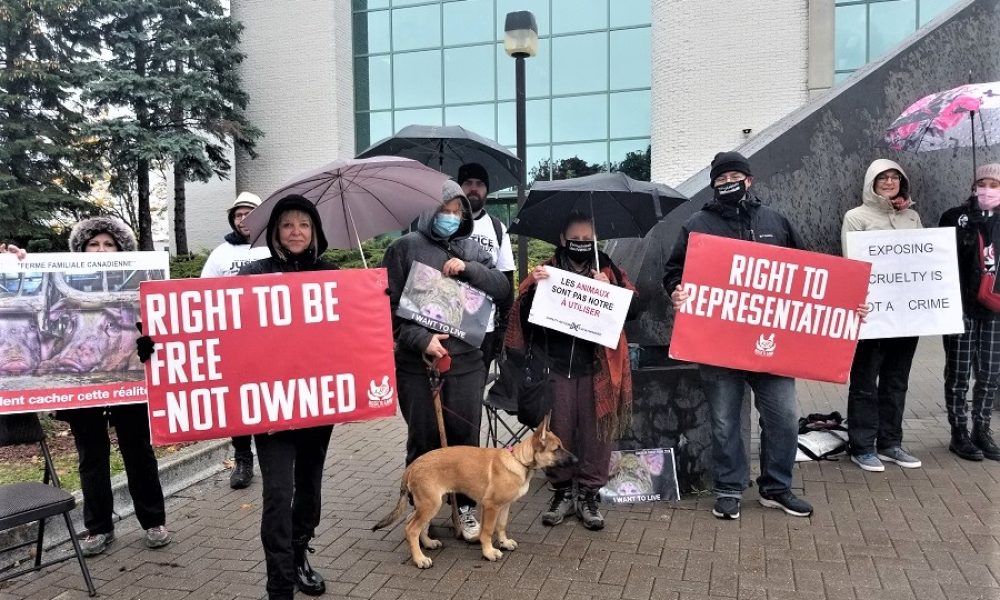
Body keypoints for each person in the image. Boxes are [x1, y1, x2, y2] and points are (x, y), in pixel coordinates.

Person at [663, 151, 812, 520]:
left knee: (784, 417)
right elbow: (673, 272)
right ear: (713, 184)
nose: (728, 182)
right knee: (724, 421)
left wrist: (845, 304)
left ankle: (777, 488)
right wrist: (676, 291)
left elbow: (810, 275)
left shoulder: (775, 221)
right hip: (718, 345)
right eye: (720, 177)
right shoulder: (697, 224)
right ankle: (729, 488)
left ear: (749, 180)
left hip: (772, 343)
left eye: (735, 175)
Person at [381, 180, 511, 542]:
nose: (450, 218)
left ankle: (466, 508)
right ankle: (421, 508)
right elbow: (386, 310)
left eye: (457, 213)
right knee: (423, 438)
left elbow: (503, 291)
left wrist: (469, 269)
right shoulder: (403, 249)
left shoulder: (474, 248)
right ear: (429, 211)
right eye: (444, 211)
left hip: (467, 361)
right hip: (416, 365)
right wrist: (420, 338)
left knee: (465, 440)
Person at [505, 211, 636, 531]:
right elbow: (521, 319)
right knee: (557, 432)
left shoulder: (609, 269)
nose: (580, 245)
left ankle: (589, 495)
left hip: (597, 369)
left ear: (595, 241)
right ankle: (561, 493)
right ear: (563, 239)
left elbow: (633, 310)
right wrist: (533, 290)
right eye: (574, 239)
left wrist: (612, 291)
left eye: (586, 240)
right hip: (556, 367)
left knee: (595, 436)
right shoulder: (546, 270)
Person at [237, 195, 338, 599]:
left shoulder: (331, 274)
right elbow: (222, 327)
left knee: (309, 489)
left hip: (318, 402)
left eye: (304, 225)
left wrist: (372, 304)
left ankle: (299, 555)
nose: (296, 232)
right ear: (275, 233)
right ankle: (279, 582)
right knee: (278, 493)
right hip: (272, 405)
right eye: (287, 225)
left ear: (315, 232)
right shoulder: (253, 274)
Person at [59, 216, 171, 556]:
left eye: (109, 244)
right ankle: (98, 528)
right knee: (91, 456)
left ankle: (153, 521)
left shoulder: (139, 285)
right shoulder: (61, 283)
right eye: (94, 244)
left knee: (138, 451)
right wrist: (10, 261)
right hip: (84, 383)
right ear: (81, 249)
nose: (101, 250)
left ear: (122, 250)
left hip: (129, 381)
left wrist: (149, 343)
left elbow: (157, 325)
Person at [841, 159, 923, 472]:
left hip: (907, 313)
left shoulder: (912, 216)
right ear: (871, 183)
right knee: (865, 381)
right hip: (872, 313)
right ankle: (861, 446)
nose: (889, 182)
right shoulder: (856, 217)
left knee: (896, 380)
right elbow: (852, 262)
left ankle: (890, 443)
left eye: (894, 178)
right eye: (882, 178)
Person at [200, 191, 270, 489]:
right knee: (238, 402)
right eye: (238, 214)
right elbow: (203, 295)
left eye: (249, 213)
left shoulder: (272, 248)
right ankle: (243, 459)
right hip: (233, 341)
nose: (243, 219)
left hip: (268, 340)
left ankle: (271, 457)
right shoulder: (220, 254)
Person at [939, 162, 1000, 462]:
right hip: (960, 307)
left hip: (995, 310)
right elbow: (937, 256)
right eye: (983, 183)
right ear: (973, 185)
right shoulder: (954, 216)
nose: (988, 189)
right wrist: (970, 230)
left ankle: (982, 429)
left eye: (995, 184)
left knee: (989, 374)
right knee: (959, 373)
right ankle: (959, 431)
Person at [457, 163, 515, 369]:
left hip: (485, 327)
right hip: (446, 322)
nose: (474, 188)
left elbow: (506, 281)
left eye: (479, 184)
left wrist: (503, 330)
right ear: (458, 187)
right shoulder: (446, 222)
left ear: (487, 190)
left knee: (475, 391)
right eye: (468, 183)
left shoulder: (498, 229)